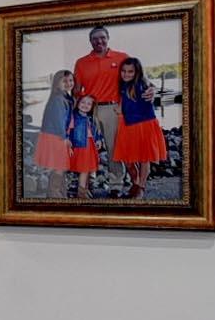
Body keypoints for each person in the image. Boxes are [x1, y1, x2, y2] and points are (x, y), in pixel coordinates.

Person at [73, 26, 155, 192]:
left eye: (102, 37)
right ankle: (86, 184)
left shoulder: (121, 57)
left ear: (108, 38)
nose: (99, 41)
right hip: (89, 110)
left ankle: (116, 184)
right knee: (85, 146)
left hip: (113, 109)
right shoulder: (81, 63)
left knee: (113, 149)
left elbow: (140, 77)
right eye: (95, 38)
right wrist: (74, 114)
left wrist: (152, 89)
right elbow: (76, 90)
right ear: (90, 41)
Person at [112, 57, 168, 198]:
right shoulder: (123, 85)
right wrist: (120, 108)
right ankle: (136, 182)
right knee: (128, 159)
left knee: (144, 158)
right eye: (124, 71)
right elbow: (124, 100)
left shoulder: (142, 85)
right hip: (128, 125)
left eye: (130, 71)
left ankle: (141, 186)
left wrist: (153, 90)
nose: (126, 74)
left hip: (144, 125)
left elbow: (150, 87)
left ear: (137, 72)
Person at [33, 70, 77, 196]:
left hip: (57, 135)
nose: (68, 83)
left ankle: (61, 191)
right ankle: (54, 192)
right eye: (64, 81)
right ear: (57, 84)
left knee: (61, 165)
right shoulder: (58, 99)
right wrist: (65, 138)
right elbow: (59, 121)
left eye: (71, 80)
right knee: (59, 165)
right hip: (55, 136)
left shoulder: (65, 97)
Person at [65, 93, 101, 198]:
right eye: (83, 102)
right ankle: (81, 192)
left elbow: (96, 131)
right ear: (78, 103)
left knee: (88, 169)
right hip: (81, 146)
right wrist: (68, 142)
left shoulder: (91, 118)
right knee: (84, 170)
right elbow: (68, 130)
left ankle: (84, 189)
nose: (85, 105)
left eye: (89, 104)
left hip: (90, 145)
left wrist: (98, 140)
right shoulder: (74, 117)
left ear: (92, 106)